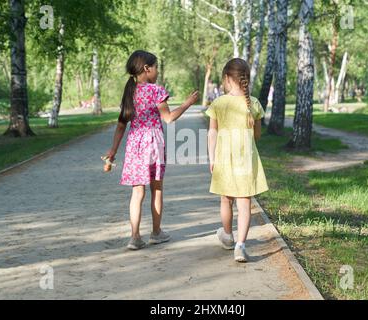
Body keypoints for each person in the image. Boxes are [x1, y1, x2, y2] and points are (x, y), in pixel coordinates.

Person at [105, 50, 199, 250]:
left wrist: (113, 151)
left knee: (137, 192)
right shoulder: (156, 90)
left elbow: (121, 125)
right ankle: (156, 233)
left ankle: (134, 237)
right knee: (156, 189)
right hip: (153, 145)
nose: (157, 71)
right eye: (156, 67)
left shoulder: (129, 92)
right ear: (147, 69)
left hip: (134, 146)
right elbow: (169, 118)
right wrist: (187, 103)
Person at [205, 58, 269, 262]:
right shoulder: (254, 104)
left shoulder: (218, 103)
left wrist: (212, 158)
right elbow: (257, 136)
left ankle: (227, 236)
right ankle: (241, 245)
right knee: (244, 203)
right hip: (246, 160)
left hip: (224, 159)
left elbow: (212, 133)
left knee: (226, 200)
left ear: (226, 78)